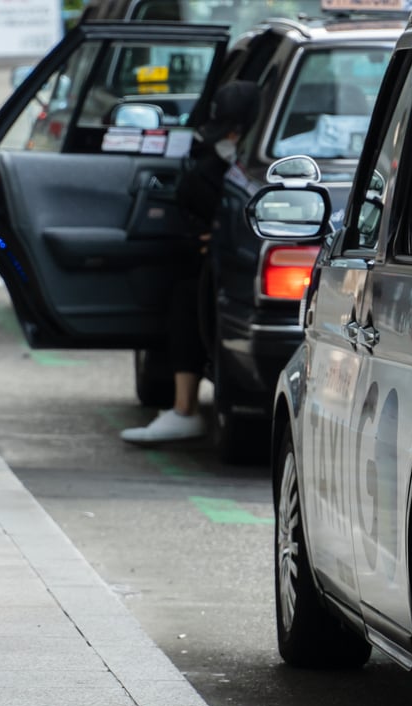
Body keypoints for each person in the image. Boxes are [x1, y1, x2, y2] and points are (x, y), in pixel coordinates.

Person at [121, 80, 261, 445]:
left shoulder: (266, 168)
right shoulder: (206, 172)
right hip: (231, 268)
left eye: (234, 131)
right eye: (226, 131)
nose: (227, 138)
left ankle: (184, 409)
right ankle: (183, 408)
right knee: (186, 292)